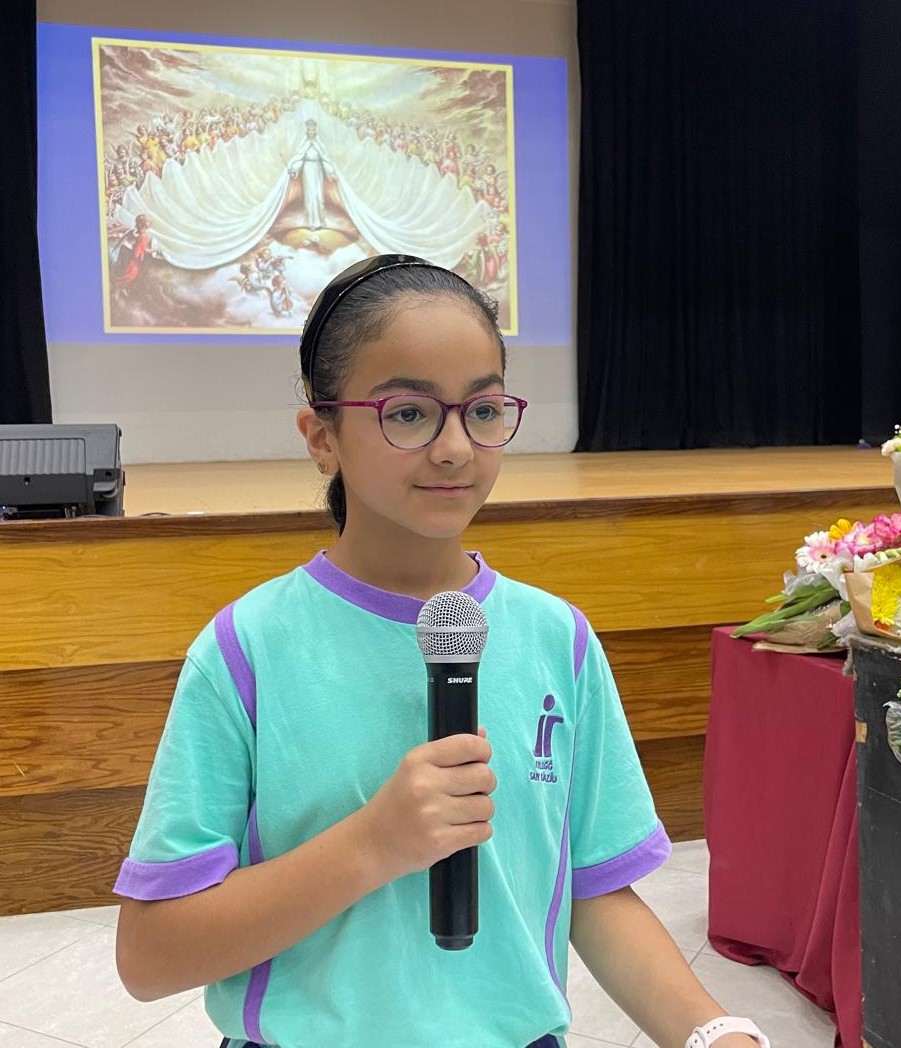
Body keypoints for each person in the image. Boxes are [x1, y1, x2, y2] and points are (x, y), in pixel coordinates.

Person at [113, 254, 770, 1048]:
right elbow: (150, 956)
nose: (456, 447)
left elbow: (595, 893)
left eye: (483, 409)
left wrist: (715, 1032)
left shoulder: (557, 639)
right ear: (322, 437)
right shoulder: (245, 650)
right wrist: (374, 844)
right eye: (409, 413)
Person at [286, 118, 337, 231]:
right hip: (308, 170)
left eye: (313, 130)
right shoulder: (304, 143)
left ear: (315, 130)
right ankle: (311, 223)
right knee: (310, 196)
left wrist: (331, 172)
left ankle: (320, 221)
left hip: (318, 170)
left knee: (318, 195)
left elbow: (325, 159)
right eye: (309, 130)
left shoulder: (319, 143)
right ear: (307, 130)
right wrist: (293, 168)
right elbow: (299, 157)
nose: (311, 132)